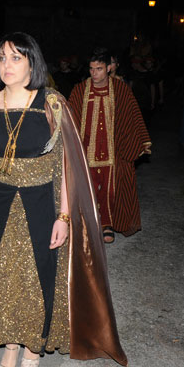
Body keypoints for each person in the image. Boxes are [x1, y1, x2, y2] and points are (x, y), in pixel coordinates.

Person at [0, 32, 127, 367]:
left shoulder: (51, 103)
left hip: (41, 201)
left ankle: (35, 342)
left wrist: (64, 215)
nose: (7, 65)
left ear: (33, 62)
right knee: (1, 273)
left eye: (16, 58)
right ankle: (10, 345)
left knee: (37, 274)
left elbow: (65, 166)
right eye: (2, 58)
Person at [68, 48, 151, 243]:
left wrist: (138, 141)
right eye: (91, 69)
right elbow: (69, 116)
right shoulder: (80, 90)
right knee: (87, 188)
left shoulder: (120, 89)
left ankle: (106, 225)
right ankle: (87, 224)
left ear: (108, 68)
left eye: (98, 68)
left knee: (108, 189)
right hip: (86, 150)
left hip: (113, 151)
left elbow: (132, 116)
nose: (94, 73)